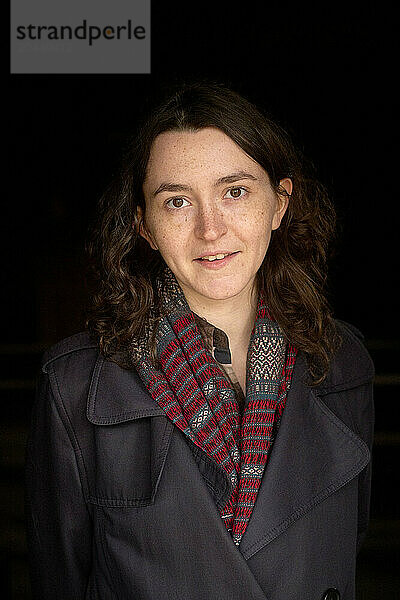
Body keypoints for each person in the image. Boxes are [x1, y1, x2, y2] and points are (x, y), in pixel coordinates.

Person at [25, 81, 374, 600]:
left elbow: (345, 552)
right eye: (177, 202)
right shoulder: (74, 387)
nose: (210, 229)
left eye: (235, 192)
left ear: (279, 205)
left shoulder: (343, 363)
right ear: (144, 226)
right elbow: (59, 581)